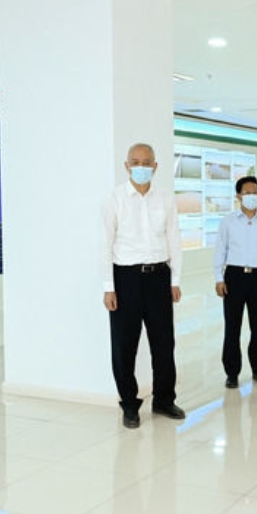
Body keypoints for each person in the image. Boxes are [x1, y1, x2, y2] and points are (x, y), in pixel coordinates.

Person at [102, 142, 186, 428]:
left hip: (159, 277)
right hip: (125, 279)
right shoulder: (114, 199)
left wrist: (175, 279)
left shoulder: (165, 198)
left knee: (164, 343)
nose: (141, 167)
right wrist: (108, 287)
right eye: (135, 162)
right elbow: (105, 244)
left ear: (155, 166)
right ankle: (129, 404)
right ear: (126, 166)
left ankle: (164, 400)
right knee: (124, 345)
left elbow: (174, 239)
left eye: (147, 162)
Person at [214, 176, 257, 389]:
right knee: (232, 326)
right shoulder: (228, 222)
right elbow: (220, 250)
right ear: (238, 196)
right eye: (247, 192)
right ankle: (232, 373)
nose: (251, 196)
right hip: (234, 277)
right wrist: (219, 278)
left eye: (255, 192)